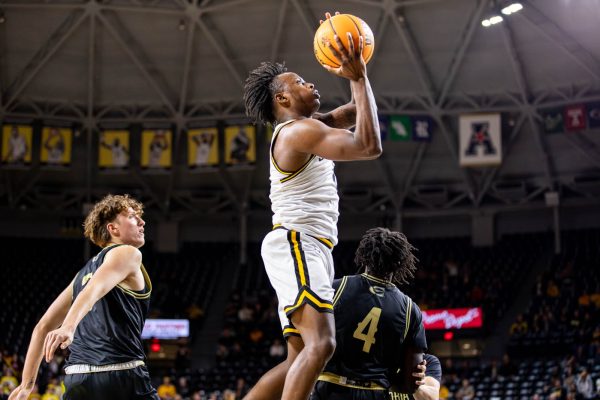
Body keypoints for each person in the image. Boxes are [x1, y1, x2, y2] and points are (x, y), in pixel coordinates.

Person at [242, 11, 381, 400]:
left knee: (298, 358)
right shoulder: (299, 132)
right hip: (298, 242)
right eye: (300, 82)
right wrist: (356, 77)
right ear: (282, 98)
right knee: (322, 345)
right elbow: (369, 144)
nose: (311, 82)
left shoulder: (311, 125)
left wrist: (356, 62)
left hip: (306, 246)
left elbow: (357, 111)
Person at [9, 194, 159, 400]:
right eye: (133, 216)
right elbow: (95, 289)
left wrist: (27, 385)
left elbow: (43, 327)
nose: (142, 221)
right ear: (113, 229)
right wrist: (68, 327)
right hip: (121, 374)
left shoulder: (81, 275)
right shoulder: (128, 253)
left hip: (77, 379)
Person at [310, 227, 428, 400]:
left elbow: (310, 342)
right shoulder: (411, 309)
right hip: (376, 393)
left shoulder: (335, 289)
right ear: (400, 263)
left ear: (365, 256)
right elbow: (411, 384)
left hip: (330, 388)